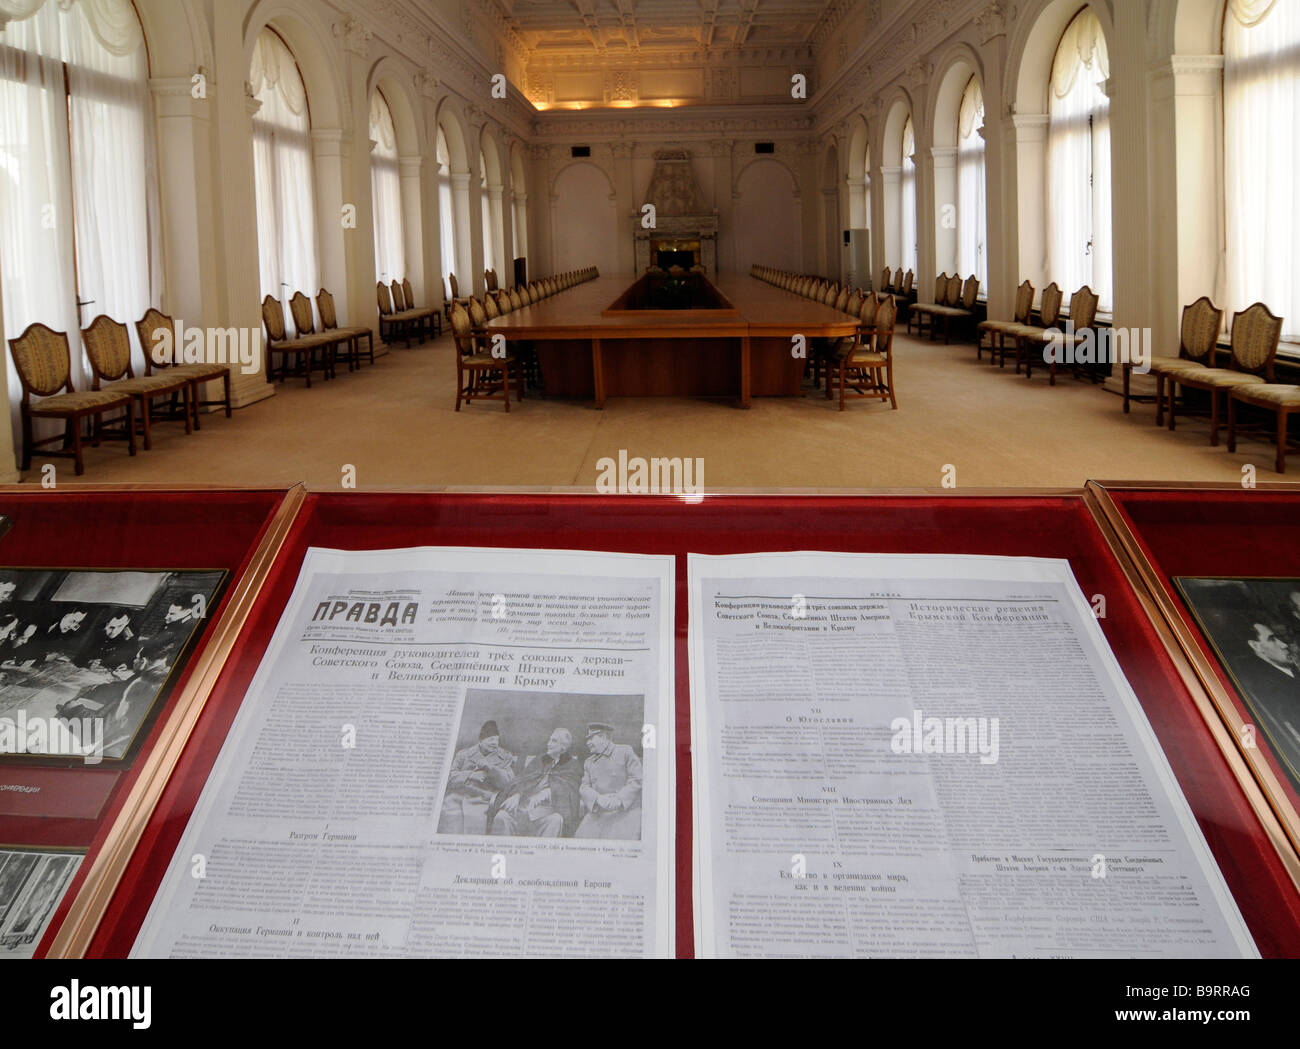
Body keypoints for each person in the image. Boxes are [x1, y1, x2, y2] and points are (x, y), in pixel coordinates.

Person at [487, 727, 583, 837]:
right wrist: (517, 794)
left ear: (563, 748)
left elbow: (571, 791)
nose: (549, 744)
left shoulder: (572, 765)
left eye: (554, 741)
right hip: (523, 808)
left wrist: (548, 792)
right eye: (549, 740)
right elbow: (521, 779)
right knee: (502, 816)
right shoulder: (539, 760)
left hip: (547, 813)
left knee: (556, 820)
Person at [438, 720, 517, 834]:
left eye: (496, 740)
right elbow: (449, 776)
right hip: (459, 797)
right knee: (449, 814)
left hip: (485, 799)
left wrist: (491, 769)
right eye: (490, 739)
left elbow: (509, 783)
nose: (494, 743)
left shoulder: (505, 757)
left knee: (475, 817)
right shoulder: (463, 755)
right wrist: (470, 775)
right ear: (481, 740)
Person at [575, 722, 642, 840]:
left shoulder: (625, 752)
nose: (587, 743)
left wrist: (619, 799)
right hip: (598, 811)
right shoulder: (589, 762)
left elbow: (637, 779)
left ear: (603, 737)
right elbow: (584, 787)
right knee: (581, 837)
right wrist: (598, 799)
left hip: (625, 810)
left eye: (591, 738)